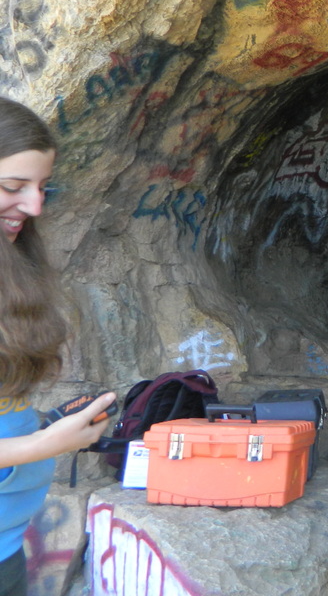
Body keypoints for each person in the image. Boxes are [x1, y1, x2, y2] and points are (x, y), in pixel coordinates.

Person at [0, 97, 115, 596]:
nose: (35, 206)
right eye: (12, 186)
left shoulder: (9, 265)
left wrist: (44, 426)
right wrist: (50, 443)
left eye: (42, 187)